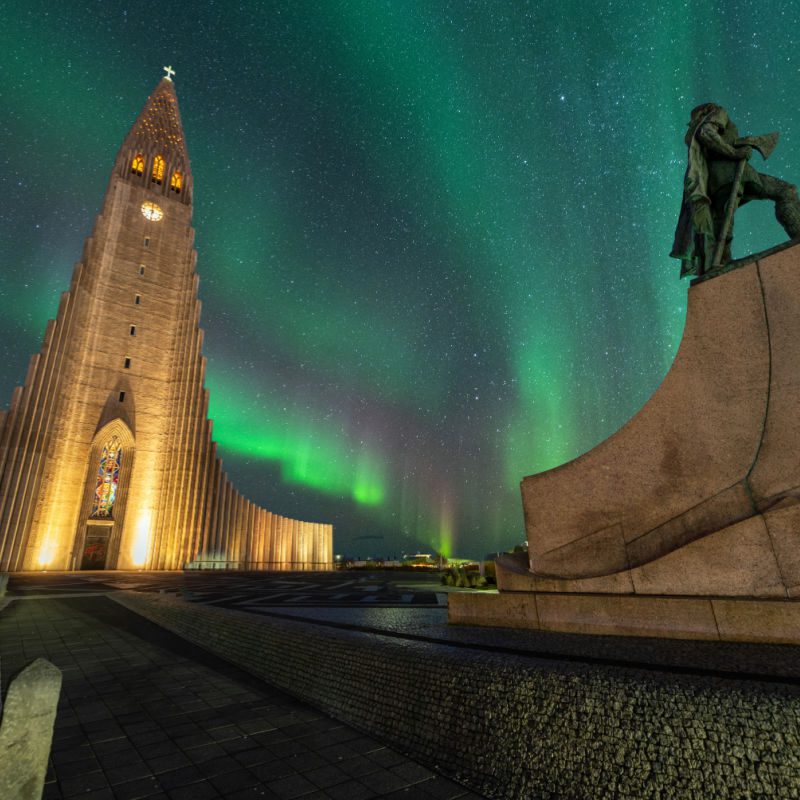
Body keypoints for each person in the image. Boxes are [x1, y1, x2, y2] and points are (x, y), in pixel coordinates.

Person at [671, 103, 800, 277]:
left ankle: (721, 262)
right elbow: (707, 133)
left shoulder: (696, 126)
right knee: (785, 191)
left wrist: (737, 145)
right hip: (730, 175)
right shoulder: (718, 112)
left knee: (722, 221)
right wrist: (734, 152)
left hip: (714, 182)